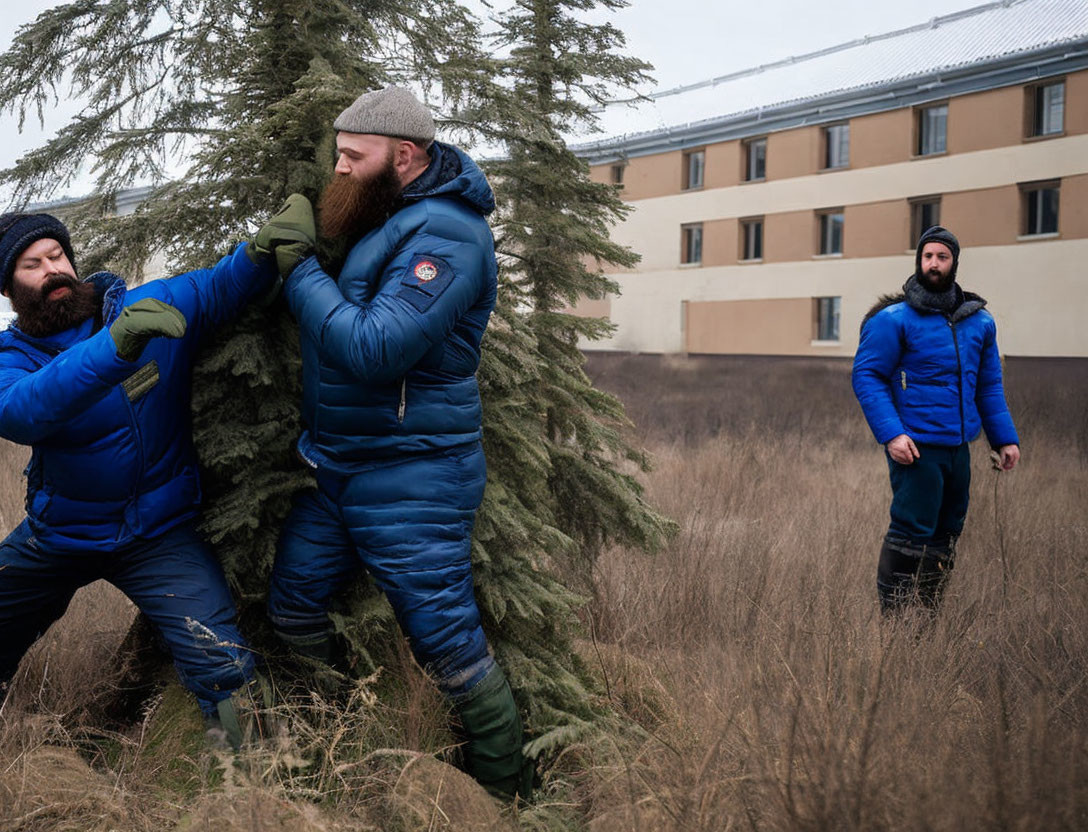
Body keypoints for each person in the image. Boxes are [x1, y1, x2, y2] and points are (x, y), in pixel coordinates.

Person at [256, 86, 530, 799]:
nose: (339, 169)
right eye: (337, 154)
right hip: (339, 465)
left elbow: (377, 348)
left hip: (414, 472)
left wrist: (301, 269)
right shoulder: (396, 218)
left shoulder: (447, 233)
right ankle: (344, 726)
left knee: (444, 636)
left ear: (404, 156)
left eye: (354, 156)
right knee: (291, 604)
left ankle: (508, 786)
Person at [0, 212, 278, 747]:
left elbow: (218, 286)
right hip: (60, 535)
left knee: (223, 666)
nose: (51, 271)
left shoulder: (141, 310)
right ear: (10, 290)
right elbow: (21, 411)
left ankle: (255, 789)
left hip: (158, 533)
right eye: (31, 265)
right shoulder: (13, 357)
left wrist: (261, 251)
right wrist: (114, 349)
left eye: (57, 256)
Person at [852, 226, 1020, 613]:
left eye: (941, 257)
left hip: (958, 448)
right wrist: (892, 434)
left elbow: (989, 387)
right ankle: (895, 622)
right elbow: (867, 376)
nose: (933, 263)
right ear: (918, 260)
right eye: (927, 256)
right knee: (911, 530)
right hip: (916, 448)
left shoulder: (979, 322)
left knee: (947, 533)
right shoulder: (894, 319)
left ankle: (926, 618)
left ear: (953, 263)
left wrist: (1004, 439)